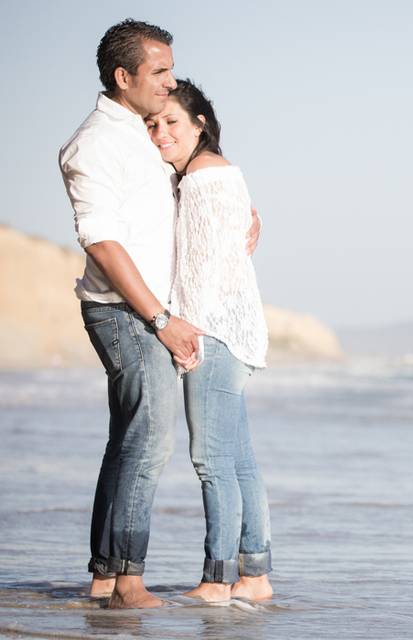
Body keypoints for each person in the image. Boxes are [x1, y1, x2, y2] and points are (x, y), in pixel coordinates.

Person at [58, 19, 260, 609]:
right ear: (124, 77)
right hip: (129, 312)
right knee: (148, 446)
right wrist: (160, 319)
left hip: (147, 311)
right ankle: (128, 583)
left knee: (128, 443)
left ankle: (104, 575)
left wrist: (246, 210)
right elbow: (100, 239)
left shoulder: (139, 136)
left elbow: (197, 177)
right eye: (160, 72)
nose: (171, 83)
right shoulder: (96, 143)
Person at [145, 79, 273, 602]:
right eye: (152, 124)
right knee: (238, 460)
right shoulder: (219, 175)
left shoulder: (200, 181)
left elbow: (204, 269)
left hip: (212, 333)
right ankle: (256, 575)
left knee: (211, 461)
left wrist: (184, 334)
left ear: (200, 124)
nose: (160, 134)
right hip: (236, 332)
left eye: (171, 122)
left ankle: (216, 581)